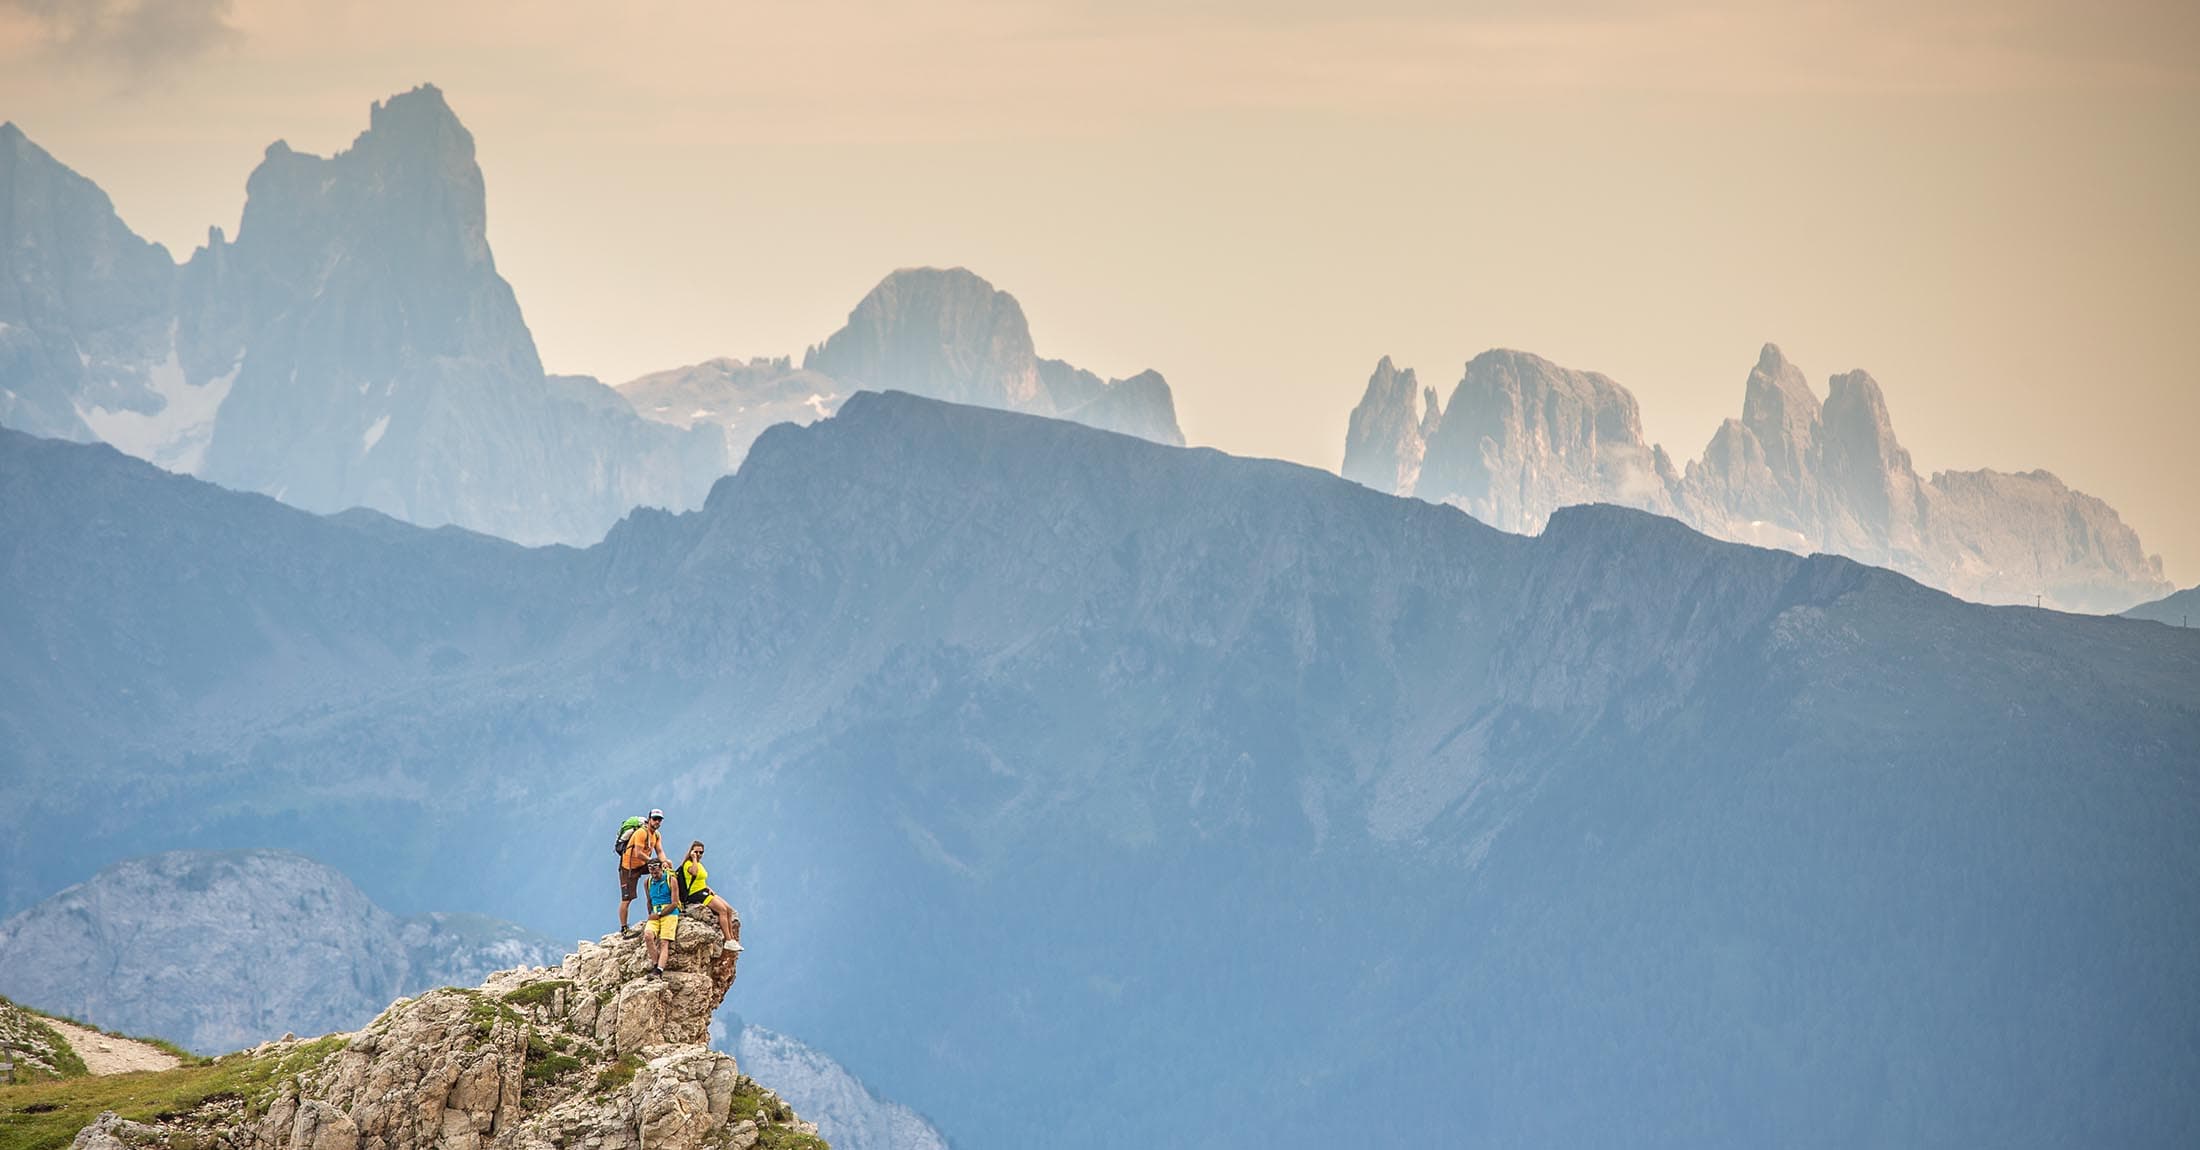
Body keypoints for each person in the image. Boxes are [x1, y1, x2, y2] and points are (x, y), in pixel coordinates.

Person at [677, 840, 743, 953]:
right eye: (696, 852)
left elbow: (700, 879)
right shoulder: (688, 864)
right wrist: (693, 859)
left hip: (703, 890)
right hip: (695, 894)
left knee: (729, 909)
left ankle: (732, 939)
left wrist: (707, 887)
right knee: (722, 910)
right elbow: (694, 873)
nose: (698, 854)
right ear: (691, 852)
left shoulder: (700, 864)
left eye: (701, 852)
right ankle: (728, 940)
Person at [617, 808, 667, 934]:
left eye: (659, 820)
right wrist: (652, 861)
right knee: (627, 899)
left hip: (643, 864)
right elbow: (638, 853)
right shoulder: (641, 833)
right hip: (628, 868)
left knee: (667, 868)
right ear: (649, 819)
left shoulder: (656, 835)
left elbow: (660, 851)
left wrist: (664, 862)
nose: (657, 822)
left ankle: (667, 902)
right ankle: (624, 928)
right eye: (655, 819)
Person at [642, 859, 680, 974]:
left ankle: (659, 969)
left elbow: (674, 903)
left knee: (664, 942)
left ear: (661, 868)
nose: (654, 874)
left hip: (669, 913)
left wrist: (659, 914)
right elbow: (649, 900)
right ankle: (656, 964)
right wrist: (650, 914)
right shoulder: (648, 882)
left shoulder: (671, 880)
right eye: (651, 871)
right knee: (648, 936)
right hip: (655, 912)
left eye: (656, 871)